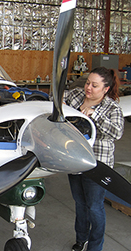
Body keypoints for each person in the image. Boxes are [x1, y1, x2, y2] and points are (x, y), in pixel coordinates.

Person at [64, 67, 124, 251]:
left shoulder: (111, 108)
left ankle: (95, 246)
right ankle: (81, 240)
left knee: (94, 206)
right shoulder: (75, 96)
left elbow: (117, 132)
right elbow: (59, 97)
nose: (88, 88)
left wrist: (94, 116)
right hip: (75, 161)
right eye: (88, 83)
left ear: (105, 89)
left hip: (97, 165)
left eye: (94, 85)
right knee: (80, 203)